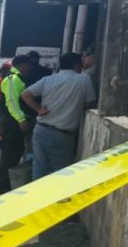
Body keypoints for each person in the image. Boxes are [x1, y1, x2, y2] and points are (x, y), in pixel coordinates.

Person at [20, 51, 97, 180]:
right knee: (60, 174)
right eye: (81, 63)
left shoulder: (49, 79)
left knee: (39, 170)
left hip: (40, 130)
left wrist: (39, 109)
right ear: (76, 65)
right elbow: (89, 102)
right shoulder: (83, 79)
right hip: (62, 135)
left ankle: (38, 198)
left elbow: (25, 95)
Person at [0, 55, 34, 194]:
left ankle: (6, 188)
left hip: (13, 122)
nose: (30, 69)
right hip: (12, 123)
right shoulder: (12, 79)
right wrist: (21, 119)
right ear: (21, 65)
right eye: (28, 65)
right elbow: (11, 102)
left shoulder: (17, 78)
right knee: (9, 157)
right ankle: (4, 190)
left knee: (15, 154)